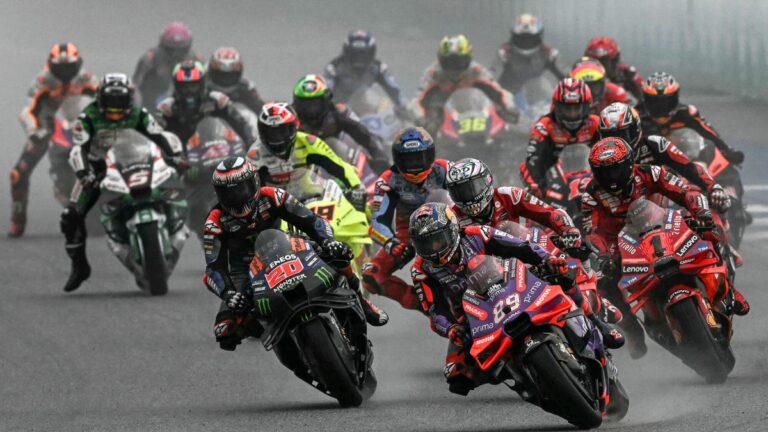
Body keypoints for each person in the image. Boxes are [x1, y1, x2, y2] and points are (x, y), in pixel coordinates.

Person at [582, 137, 749, 358]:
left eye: (616, 169)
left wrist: (701, 212)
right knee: (604, 283)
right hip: (621, 244)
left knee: (710, 230)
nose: (611, 176)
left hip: (661, 223)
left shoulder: (650, 172)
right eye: (604, 171)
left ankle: (728, 289)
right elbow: (593, 231)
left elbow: (685, 190)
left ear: (629, 163)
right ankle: (633, 331)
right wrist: (604, 256)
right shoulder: (591, 195)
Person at [203, 157, 388, 351]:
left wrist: (328, 241)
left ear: (255, 182)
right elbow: (213, 268)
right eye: (228, 194)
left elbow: (312, 221)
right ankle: (275, 335)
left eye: (241, 190)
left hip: (285, 245)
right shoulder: (214, 222)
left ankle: (362, 302)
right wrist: (228, 293)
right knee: (224, 330)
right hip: (245, 268)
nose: (236, 198)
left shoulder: (273, 196)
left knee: (338, 254)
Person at [409, 202, 583, 395]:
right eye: (425, 244)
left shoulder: (478, 234)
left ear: (451, 230)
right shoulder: (421, 270)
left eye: (437, 240)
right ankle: (521, 377)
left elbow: (522, 247)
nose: (433, 249)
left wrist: (547, 260)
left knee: (563, 277)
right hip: (473, 315)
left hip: (512, 285)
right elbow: (435, 311)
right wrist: (451, 329)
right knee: (456, 377)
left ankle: (595, 323)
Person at [61, 73, 185, 292]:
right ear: (100, 99)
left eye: (120, 101)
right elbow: (78, 149)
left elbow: (158, 135)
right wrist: (84, 174)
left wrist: (173, 157)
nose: (115, 107)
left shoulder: (139, 114)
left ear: (129, 99)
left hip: (135, 161)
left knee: (176, 182)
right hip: (97, 169)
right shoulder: (87, 118)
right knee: (71, 216)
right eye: (110, 101)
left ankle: (176, 224)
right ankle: (79, 266)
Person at [8, 43, 99, 238]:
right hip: (48, 126)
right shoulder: (43, 80)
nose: (65, 72)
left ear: (78, 64)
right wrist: (34, 131)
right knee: (18, 174)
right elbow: (26, 111)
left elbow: (105, 99)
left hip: (79, 123)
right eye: (60, 68)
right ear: (51, 65)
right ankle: (17, 220)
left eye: (69, 67)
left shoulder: (86, 77)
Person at [363, 127, 450, 309]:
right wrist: (390, 243)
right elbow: (378, 220)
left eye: (419, 158)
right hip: (409, 230)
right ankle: (425, 306)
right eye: (408, 159)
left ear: (430, 155)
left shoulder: (444, 168)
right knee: (371, 275)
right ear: (398, 160)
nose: (414, 165)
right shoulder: (388, 180)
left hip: (450, 222)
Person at [597, 102, 731, 211]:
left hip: (666, 209)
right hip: (622, 214)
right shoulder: (598, 158)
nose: (618, 142)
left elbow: (688, 167)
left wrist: (713, 187)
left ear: (635, 130)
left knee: (707, 212)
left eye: (623, 135)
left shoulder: (655, 144)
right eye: (610, 136)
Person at [245, 102, 368, 211]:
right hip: (278, 207)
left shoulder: (310, 142)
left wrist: (356, 187)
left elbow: (340, 167)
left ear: (294, 127)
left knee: (362, 206)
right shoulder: (254, 155)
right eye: (271, 133)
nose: (277, 138)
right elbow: (249, 192)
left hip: (315, 197)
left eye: (282, 131)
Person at [414, 34, 518, 135]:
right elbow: (416, 101)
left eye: (459, 61)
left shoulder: (476, 70)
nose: (454, 67)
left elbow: (499, 91)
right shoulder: (433, 74)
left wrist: (509, 107)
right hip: (442, 112)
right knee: (429, 127)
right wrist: (420, 118)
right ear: (441, 60)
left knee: (506, 116)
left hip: (474, 110)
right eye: (449, 62)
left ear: (468, 58)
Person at [640, 72, 744, 165]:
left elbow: (708, 132)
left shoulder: (686, 112)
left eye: (667, 102)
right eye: (654, 103)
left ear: (675, 99)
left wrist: (727, 150)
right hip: (648, 166)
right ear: (645, 101)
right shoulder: (635, 115)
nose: (661, 109)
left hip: (685, 163)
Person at [292, 74, 389, 172]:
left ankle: (361, 173)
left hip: (337, 162)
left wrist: (379, 156)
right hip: (301, 165)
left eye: (315, 103)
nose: (311, 109)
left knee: (335, 142)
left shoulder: (338, 113)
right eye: (305, 104)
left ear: (326, 100)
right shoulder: (290, 118)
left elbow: (365, 136)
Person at [521, 78, 600, 195]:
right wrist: (537, 186)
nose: (572, 114)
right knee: (528, 175)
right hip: (554, 185)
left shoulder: (595, 123)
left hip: (592, 181)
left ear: (586, 107)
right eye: (567, 109)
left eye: (576, 109)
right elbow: (532, 160)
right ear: (556, 107)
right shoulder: (544, 126)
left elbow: (609, 153)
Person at [157, 60, 256, 149]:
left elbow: (242, 124)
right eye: (184, 87)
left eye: (193, 86)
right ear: (176, 86)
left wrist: (250, 143)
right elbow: (155, 136)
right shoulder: (167, 108)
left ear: (202, 84)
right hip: (182, 158)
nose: (189, 92)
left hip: (220, 152)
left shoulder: (217, 100)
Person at [323, 30, 407, 111]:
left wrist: (403, 107)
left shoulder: (379, 68)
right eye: (355, 55)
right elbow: (325, 92)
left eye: (363, 55)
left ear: (371, 53)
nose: (359, 59)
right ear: (346, 53)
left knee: (382, 104)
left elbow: (394, 90)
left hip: (364, 108)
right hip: (336, 110)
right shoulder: (334, 68)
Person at [133, 21, 202, 109]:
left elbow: (206, 83)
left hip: (185, 107)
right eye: (171, 50)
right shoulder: (150, 58)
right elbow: (135, 85)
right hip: (150, 106)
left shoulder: (196, 59)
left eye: (180, 50)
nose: (176, 55)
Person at [493, 13, 566, 93]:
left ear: (538, 37)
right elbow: (492, 75)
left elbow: (567, 74)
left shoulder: (550, 54)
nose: (526, 42)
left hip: (541, 94)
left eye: (530, 38)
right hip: (509, 95)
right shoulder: (504, 53)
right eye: (522, 38)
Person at [207, 46, 264, 114]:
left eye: (232, 67)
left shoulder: (245, 87)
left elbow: (260, 108)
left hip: (236, 119)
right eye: (222, 72)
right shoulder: (203, 84)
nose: (226, 76)